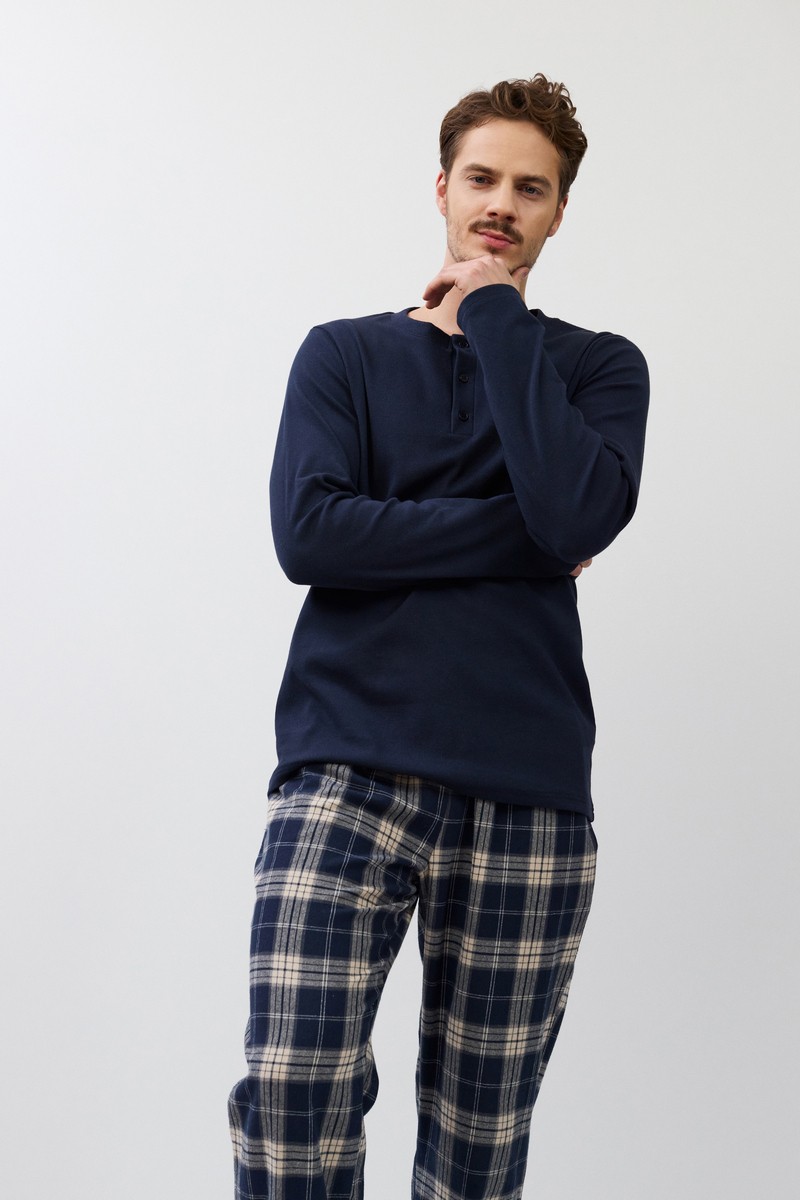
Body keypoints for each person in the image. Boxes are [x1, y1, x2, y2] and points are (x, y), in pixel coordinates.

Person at [229, 74, 649, 1200]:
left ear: (558, 212)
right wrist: (524, 535)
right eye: (481, 178)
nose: (501, 203)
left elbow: (576, 514)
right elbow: (311, 535)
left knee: (479, 1140)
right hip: (345, 768)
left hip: (527, 791)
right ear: (442, 189)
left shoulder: (599, 367)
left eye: (530, 188)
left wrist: (496, 315)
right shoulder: (343, 355)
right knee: (290, 1096)